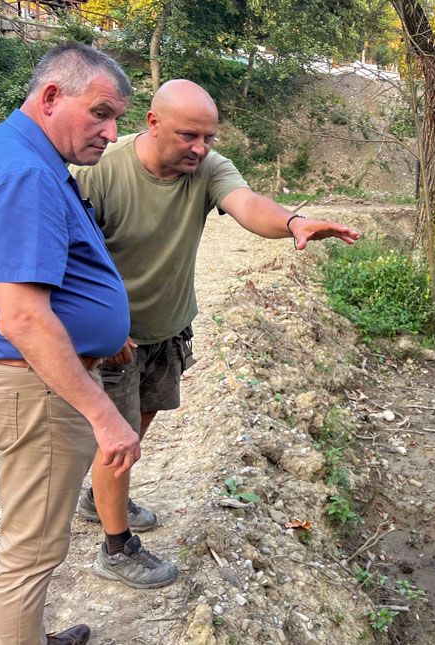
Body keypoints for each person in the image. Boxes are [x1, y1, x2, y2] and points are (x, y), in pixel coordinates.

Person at [71, 79, 359, 588]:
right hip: (116, 340)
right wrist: (99, 332)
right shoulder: (100, 175)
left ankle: (98, 499)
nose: (200, 148)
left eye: (208, 137)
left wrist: (293, 222)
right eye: (188, 136)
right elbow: (72, 261)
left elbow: (246, 203)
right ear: (152, 123)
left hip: (169, 328)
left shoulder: (206, 168)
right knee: (118, 443)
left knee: (141, 420)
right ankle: (115, 550)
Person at [0, 44, 141, 645]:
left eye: (118, 119)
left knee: (33, 538)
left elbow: (48, 287)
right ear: (53, 96)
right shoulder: (24, 173)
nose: (112, 133)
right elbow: (24, 319)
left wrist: (104, 335)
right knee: (31, 552)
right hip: (35, 389)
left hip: (32, 377)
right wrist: (105, 415)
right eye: (101, 113)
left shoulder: (14, 155)